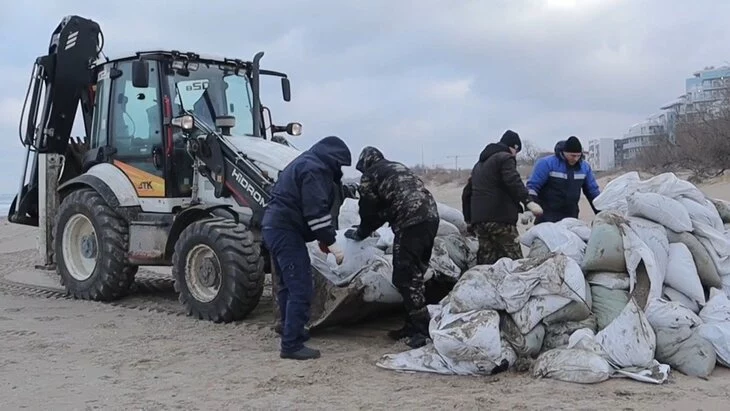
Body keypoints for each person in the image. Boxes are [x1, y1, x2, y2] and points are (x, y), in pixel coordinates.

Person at [261, 136, 352, 360]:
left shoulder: (304, 162)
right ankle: (291, 345)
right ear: (333, 159)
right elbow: (315, 210)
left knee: (286, 286)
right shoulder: (315, 169)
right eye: (339, 165)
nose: (339, 169)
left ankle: (289, 329)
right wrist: (331, 241)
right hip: (285, 231)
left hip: (274, 227)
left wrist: (321, 238)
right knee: (301, 286)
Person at [344, 146, 439, 348]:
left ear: (365, 164)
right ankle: (411, 325)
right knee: (415, 273)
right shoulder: (396, 168)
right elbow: (388, 208)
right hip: (430, 217)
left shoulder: (371, 175)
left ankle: (423, 330)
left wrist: (361, 233)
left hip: (411, 221)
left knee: (405, 276)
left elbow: (369, 210)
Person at [461, 130, 543, 265]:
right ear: (514, 147)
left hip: (480, 222)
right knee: (515, 263)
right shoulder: (505, 158)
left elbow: (467, 193)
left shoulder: (479, 165)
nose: (516, 155)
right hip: (500, 219)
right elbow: (513, 181)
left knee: (486, 264)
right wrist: (528, 202)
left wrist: (469, 220)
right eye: (517, 152)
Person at [526, 136, 601, 224]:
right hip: (547, 217)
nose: (576, 159)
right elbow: (532, 187)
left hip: (571, 217)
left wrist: (601, 212)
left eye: (578, 156)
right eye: (572, 156)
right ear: (564, 152)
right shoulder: (546, 164)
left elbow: (592, 192)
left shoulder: (584, 168)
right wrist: (529, 207)